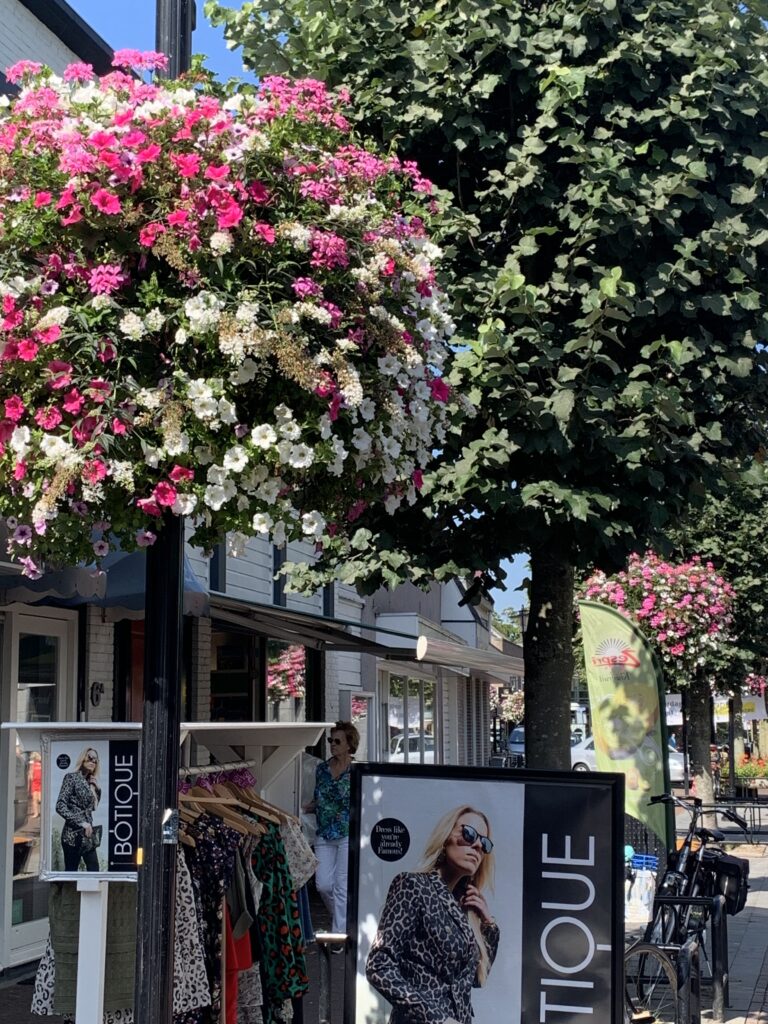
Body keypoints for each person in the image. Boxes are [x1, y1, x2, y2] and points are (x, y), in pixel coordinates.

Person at [366, 805, 500, 1024]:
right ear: (446, 836)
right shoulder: (413, 886)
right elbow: (379, 966)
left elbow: (476, 980)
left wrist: (488, 924)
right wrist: (437, 1019)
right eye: (469, 834)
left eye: (484, 843)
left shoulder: (464, 906)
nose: (477, 845)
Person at [305, 720, 359, 937]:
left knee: (341, 885)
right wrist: (305, 807)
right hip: (324, 832)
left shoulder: (357, 770)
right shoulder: (321, 769)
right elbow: (319, 798)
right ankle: (344, 919)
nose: (332, 745)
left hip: (347, 831)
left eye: (337, 741)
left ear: (349, 744)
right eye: (330, 740)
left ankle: (339, 935)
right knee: (323, 885)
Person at [55, 746, 102, 871]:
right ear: (83, 759)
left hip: (87, 836)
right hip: (72, 835)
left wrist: (97, 788)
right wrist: (81, 822)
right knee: (71, 873)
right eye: (90, 757)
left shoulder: (90, 782)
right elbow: (60, 805)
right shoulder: (71, 778)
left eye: (96, 760)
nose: (93, 761)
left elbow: (92, 808)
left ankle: (90, 891)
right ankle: (64, 890)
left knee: (94, 870)